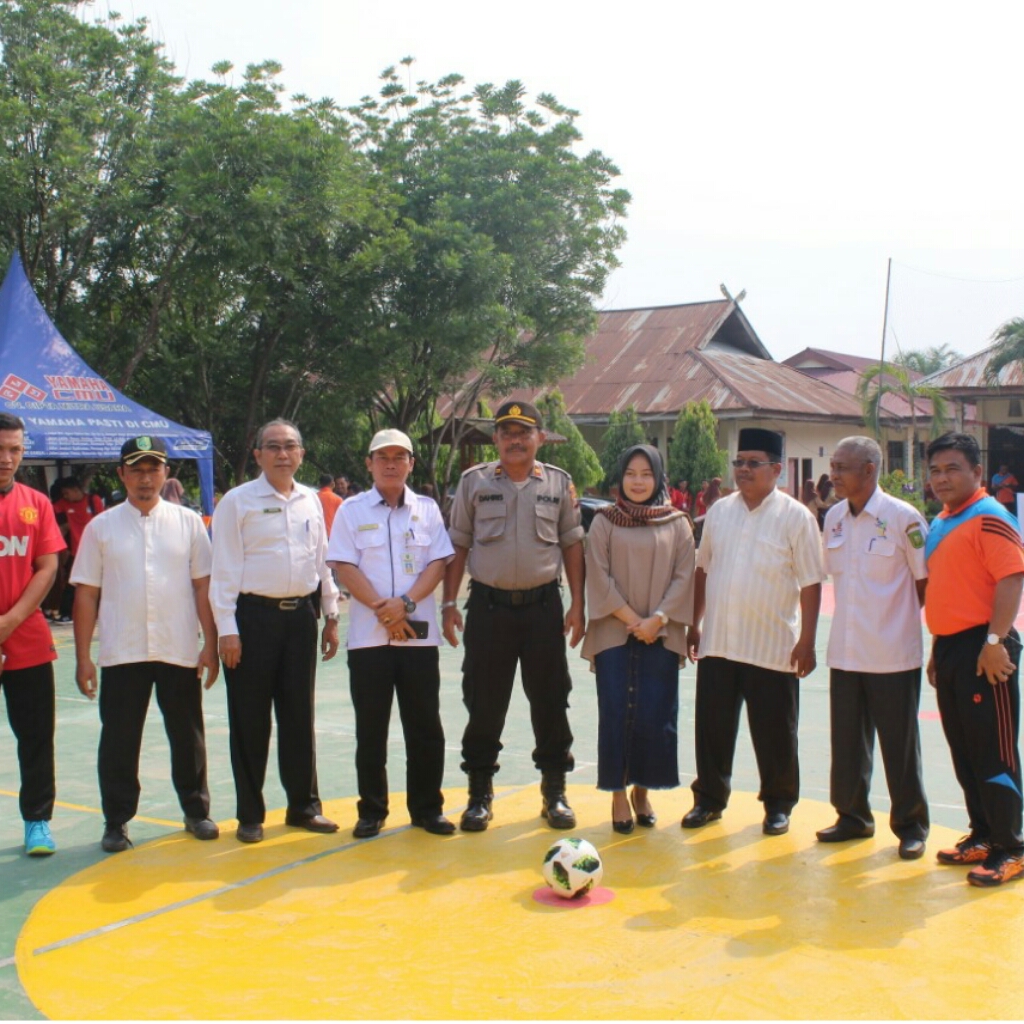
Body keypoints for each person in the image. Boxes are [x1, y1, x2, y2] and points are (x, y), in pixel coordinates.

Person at [71, 437, 220, 853]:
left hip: (177, 648)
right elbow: (86, 594)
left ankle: (196, 810)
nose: (145, 478)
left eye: (153, 469)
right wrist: (83, 657)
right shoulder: (101, 527)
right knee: (119, 739)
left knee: (187, 735)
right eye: (136, 469)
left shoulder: (189, 523)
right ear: (121, 474)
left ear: (166, 474)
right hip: (123, 650)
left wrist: (209, 644)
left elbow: (202, 586)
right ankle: (116, 821)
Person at [442, 400, 585, 831]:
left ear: (540, 438)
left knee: (550, 700)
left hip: (544, 609)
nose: (515, 439)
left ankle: (554, 792)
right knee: (484, 702)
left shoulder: (559, 484)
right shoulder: (474, 483)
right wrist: (448, 603)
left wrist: (578, 603)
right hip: (489, 610)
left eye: (524, 432)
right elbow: (458, 545)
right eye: (507, 432)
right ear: (496, 439)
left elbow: (572, 544)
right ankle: (479, 795)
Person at [683, 427, 823, 836]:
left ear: (776, 469)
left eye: (753, 463)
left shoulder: (796, 517)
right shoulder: (719, 513)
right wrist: (695, 623)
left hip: (772, 646)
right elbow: (703, 569)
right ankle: (709, 799)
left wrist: (808, 641)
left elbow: (811, 582)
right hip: (719, 643)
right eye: (739, 462)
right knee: (712, 730)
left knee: (776, 733)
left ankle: (778, 805)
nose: (743, 469)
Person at [210, 418, 341, 843]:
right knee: (249, 719)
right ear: (258, 455)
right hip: (252, 620)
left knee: (299, 715)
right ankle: (251, 813)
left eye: (291, 446)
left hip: (301, 619)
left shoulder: (309, 501)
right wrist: (227, 630)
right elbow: (223, 568)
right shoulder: (238, 501)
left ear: (302, 453)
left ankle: (304, 806)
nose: (283, 454)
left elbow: (321, 561)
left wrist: (331, 614)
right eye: (273, 447)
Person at [327, 429, 455, 839]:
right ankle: (372, 810)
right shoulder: (351, 510)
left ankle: (427, 808)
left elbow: (437, 564)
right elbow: (344, 566)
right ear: (369, 463)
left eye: (400, 456)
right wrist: (385, 611)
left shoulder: (428, 510)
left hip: (418, 637)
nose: (391, 463)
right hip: (368, 638)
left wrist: (407, 605)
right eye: (382, 456)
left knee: (425, 727)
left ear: (411, 463)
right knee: (371, 729)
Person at [817, 436, 930, 860]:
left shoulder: (904, 518)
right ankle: (853, 816)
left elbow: (925, 584)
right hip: (845, 652)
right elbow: (834, 577)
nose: (834, 475)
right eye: (833, 465)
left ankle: (911, 826)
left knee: (898, 745)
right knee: (846, 743)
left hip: (892, 653)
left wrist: (897, 623)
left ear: (869, 470)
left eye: (842, 467)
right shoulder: (833, 519)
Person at [924, 432, 1024, 886]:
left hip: (984, 647)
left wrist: (994, 640)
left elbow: (1011, 579)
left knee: (994, 751)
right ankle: (983, 835)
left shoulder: (990, 516)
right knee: (964, 749)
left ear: (977, 472)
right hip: (950, 647)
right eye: (935, 470)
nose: (941, 478)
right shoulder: (943, 520)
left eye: (952, 469)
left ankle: (1012, 846)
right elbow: (948, 591)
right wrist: (936, 649)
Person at [582, 445, 694, 833]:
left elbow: (685, 576)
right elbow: (597, 575)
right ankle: (617, 794)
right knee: (615, 713)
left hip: (659, 635)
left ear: (658, 477)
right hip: (616, 631)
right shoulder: (604, 521)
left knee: (654, 714)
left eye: (646, 474)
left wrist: (657, 620)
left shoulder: (678, 523)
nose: (638, 481)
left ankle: (642, 791)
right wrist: (633, 620)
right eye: (631, 473)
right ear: (621, 477)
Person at [0, 413, 65, 855]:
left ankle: (37, 822)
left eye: (15, 450)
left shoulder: (35, 502)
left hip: (25, 638)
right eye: (0, 449)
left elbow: (47, 567)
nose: (7, 459)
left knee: (36, 735)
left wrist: (8, 622)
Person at [51, 475, 103, 622]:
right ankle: (67, 613)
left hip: (97, 550)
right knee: (72, 582)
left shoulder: (94, 501)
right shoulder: (63, 504)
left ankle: (100, 612)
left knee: (100, 582)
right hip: (76, 551)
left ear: (75, 490)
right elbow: (51, 509)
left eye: (67, 492)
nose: (65, 496)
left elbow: (103, 520)